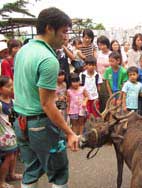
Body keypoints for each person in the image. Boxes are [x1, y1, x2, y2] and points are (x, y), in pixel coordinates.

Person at [13, 7, 79, 188]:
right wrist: (69, 132)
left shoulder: (23, 51)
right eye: (64, 32)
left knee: (31, 168)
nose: (66, 37)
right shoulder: (48, 59)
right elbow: (47, 104)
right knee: (58, 172)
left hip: (20, 121)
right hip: (40, 125)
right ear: (50, 28)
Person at [0, 76, 22, 188]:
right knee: (9, 157)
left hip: (13, 133)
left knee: (14, 154)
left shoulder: (12, 101)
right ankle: (2, 182)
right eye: (8, 86)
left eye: (12, 85)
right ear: (0, 89)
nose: (11, 88)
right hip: (5, 136)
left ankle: (12, 174)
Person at [96, 35, 111, 112]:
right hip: (99, 78)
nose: (101, 46)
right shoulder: (98, 54)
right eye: (99, 45)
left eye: (103, 44)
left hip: (108, 79)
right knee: (100, 98)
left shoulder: (111, 54)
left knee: (107, 98)